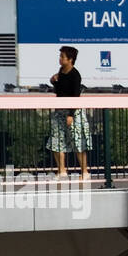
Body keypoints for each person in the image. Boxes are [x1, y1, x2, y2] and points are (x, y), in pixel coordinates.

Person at [48, 45, 91, 179]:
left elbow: (75, 95)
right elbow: (60, 92)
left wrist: (71, 114)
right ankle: (61, 171)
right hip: (59, 111)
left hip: (73, 112)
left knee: (78, 142)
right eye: (60, 56)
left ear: (70, 59)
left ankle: (85, 172)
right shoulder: (61, 71)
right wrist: (54, 82)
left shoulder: (75, 75)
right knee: (56, 141)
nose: (60, 59)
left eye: (62, 57)